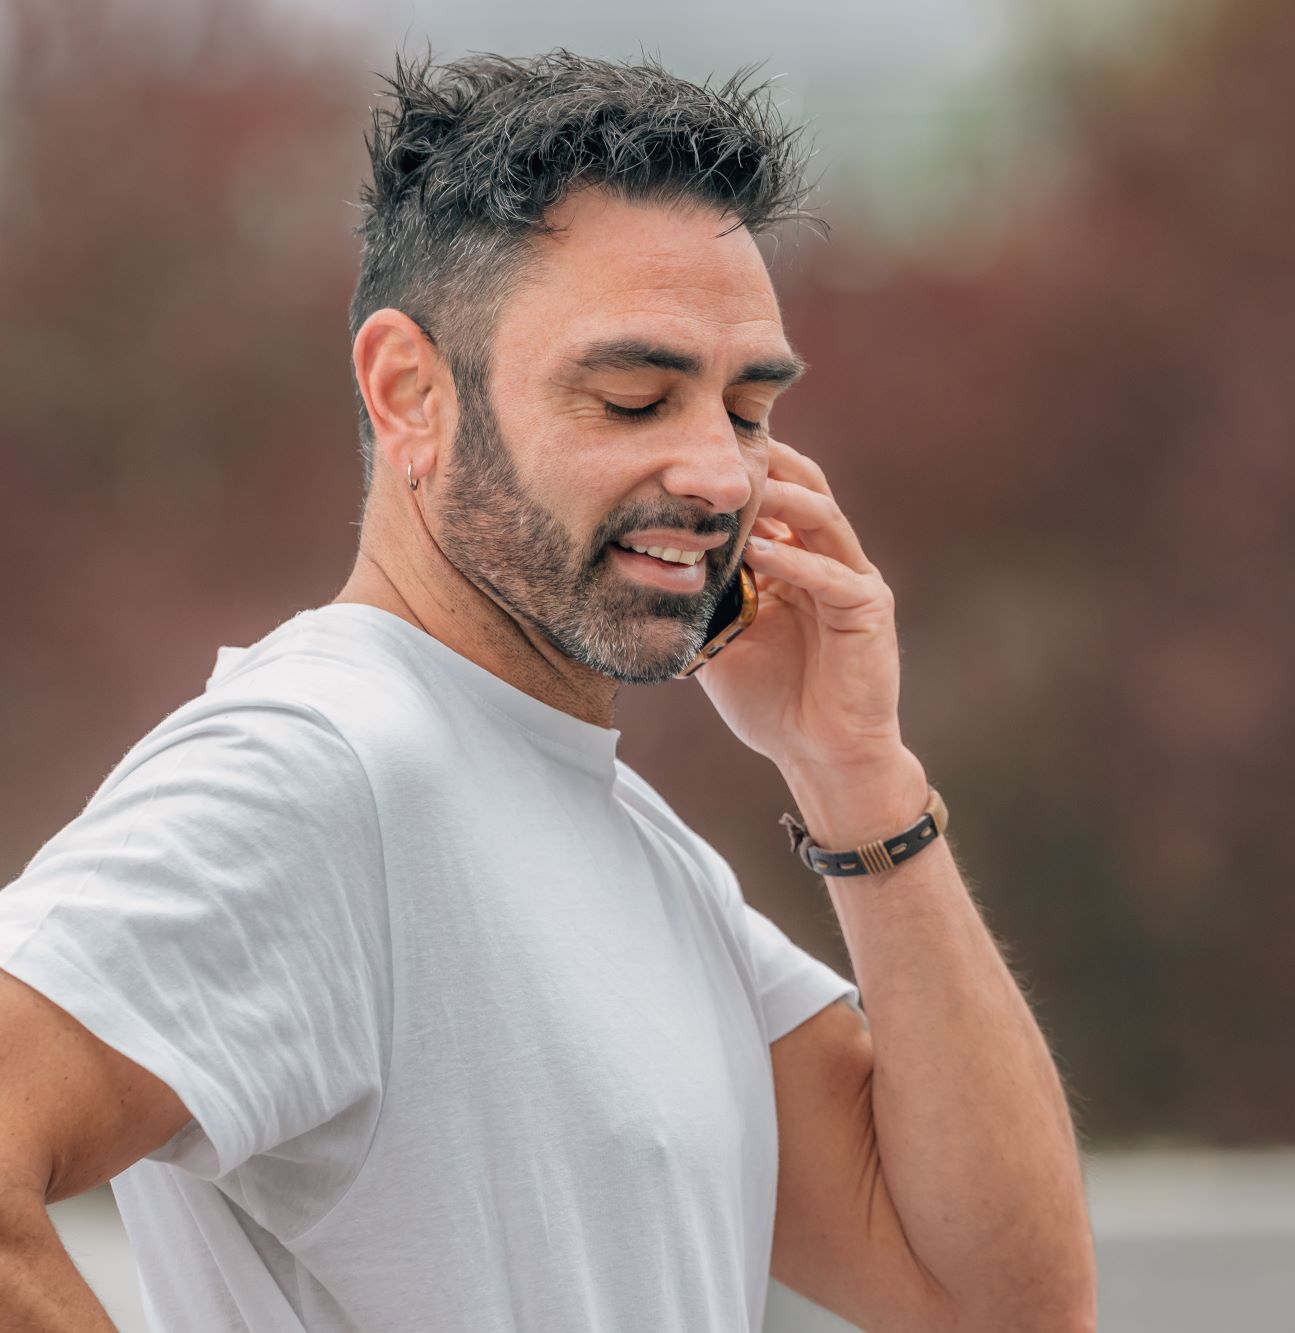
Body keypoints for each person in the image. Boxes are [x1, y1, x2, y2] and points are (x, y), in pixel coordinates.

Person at [0, 51, 1095, 1333]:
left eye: (745, 408)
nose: (721, 476)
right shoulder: (318, 767)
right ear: (410, 394)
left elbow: (1002, 1305)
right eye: (634, 396)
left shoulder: (633, 845)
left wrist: (857, 776)